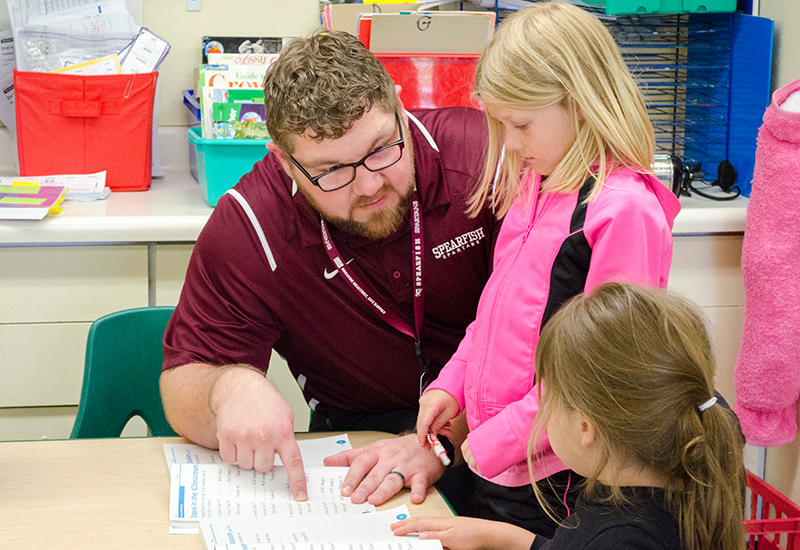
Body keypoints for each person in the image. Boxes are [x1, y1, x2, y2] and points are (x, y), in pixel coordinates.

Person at [160, 30, 499, 508]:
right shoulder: (252, 225)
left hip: (501, 423)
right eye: (332, 171)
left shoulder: (482, 158)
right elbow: (182, 382)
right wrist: (226, 389)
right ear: (284, 161)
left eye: (382, 148)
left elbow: (562, 337)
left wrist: (444, 441)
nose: (368, 185)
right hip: (356, 447)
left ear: (400, 108)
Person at [414, 1, 681, 537]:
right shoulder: (536, 187)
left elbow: (601, 377)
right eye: (500, 124)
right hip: (500, 461)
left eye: (521, 124)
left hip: (559, 481)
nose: (509, 143)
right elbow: (491, 320)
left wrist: (490, 443)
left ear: (579, 104)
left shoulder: (622, 212)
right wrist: (452, 387)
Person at [394, 282, 746, 550]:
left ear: (584, 426)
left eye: (548, 398)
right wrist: (498, 535)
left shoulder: (621, 538)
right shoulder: (636, 489)